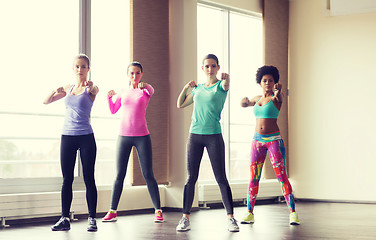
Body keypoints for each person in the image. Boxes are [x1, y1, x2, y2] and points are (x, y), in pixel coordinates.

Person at [176, 54, 239, 232]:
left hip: (213, 136)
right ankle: (185, 218)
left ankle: (231, 218)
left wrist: (227, 80)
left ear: (218, 68)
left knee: (221, 178)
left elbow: (226, 85)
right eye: (207, 66)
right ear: (203, 68)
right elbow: (180, 104)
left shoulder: (221, 86)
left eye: (213, 66)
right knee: (191, 178)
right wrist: (186, 88)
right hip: (194, 136)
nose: (210, 69)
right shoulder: (197, 89)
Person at [101, 61, 163, 223]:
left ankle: (158, 210)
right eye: (132, 73)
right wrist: (109, 98)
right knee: (119, 175)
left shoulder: (145, 91)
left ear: (141, 74)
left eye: (137, 73)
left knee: (148, 174)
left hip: (142, 136)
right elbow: (113, 109)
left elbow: (152, 90)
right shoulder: (123, 92)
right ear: (127, 75)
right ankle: (113, 211)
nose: (134, 76)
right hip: (124, 136)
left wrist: (145, 85)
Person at [43, 54, 99, 232]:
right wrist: (54, 90)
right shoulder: (68, 88)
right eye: (77, 66)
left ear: (88, 69)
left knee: (89, 178)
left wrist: (91, 86)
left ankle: (92, 219)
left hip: (86, 137)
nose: (79, 70)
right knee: (67, 179)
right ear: (73, 68)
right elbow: (46, 101)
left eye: (83, 67)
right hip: (67, 136)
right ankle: (64, 218)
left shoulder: (91, 88)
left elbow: (95, 90)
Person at [239, 65, 300, 225]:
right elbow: (245, 103)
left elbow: (279, 97)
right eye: (264, 80)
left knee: (282, 176)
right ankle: (249, 213)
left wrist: (279, 91)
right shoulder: (257, 98)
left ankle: (293, 213)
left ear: (275, 82)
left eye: (270, 80)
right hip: (257, 141)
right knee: (254, 178)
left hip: (273, 141)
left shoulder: (276, 98)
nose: (267, 83)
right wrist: (244, 102)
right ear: (260, 82)